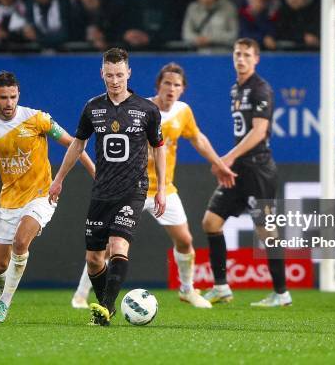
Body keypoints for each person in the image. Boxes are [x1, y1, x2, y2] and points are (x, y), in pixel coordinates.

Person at [71, 62, 237, 309]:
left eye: (177, 85)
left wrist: (219, 163)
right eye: (167, 83)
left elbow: (197, 139)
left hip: (164, 189)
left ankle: (187, 290)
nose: (171, 89)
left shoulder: (183, 112)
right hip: (131, 188)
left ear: (183, 89)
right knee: (105, 247)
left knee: (184, 240)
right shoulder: (140, 109)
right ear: (158, 85)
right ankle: (81, 295)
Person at [0, 70, 95, 324]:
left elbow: (74, 143)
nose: (9, 103)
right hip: (9, 200)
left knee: (21, 243)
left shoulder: (37, 119)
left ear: (18, 94)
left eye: (13, 96)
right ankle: (5, 288)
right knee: (0, 267)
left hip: (41, 194)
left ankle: (3, 304)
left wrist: (94, 172)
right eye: (3, 97)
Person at [49, 47, 166, 326]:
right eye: (110, 75)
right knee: (93, 259)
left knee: (118, 245)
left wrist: (161, 187)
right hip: (102, 190)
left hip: (133, 189)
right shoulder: (93, 108)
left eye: (120, 75)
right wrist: (58, 178)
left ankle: (104, 307)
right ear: (102, 74)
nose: (115, 81)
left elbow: (159, 147)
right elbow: (78, 144)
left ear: (129, 73)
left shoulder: (147, 109)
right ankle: (107, 306)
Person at [202, 37, 291, 307]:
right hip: (240, 169)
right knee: (211, 222)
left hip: (258, 169)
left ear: (256, 59)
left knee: (266, 230)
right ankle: (221, 287)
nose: (240, 59)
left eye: (246, 55)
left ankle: (281, 292)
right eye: (237, 54)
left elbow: (259, 131)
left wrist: (226, 158)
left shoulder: (260, 89)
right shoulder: (235, 90)